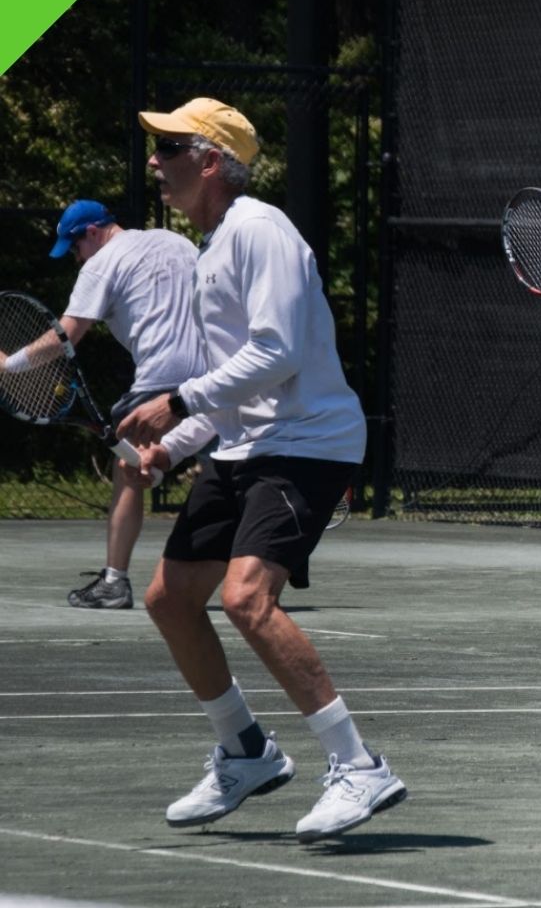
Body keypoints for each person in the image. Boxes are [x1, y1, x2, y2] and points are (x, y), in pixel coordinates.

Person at [116, 96, 405, 842]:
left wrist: (176, 402)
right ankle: (246, 751)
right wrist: (171, 448)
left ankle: (359, 765)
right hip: (247, 446)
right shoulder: (214, 249)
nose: (156, 162)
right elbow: (232, 384)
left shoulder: (260, 229)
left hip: (307, 442)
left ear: (211, 160)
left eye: (170, 147)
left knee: (247, 598)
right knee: (170, 598)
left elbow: (274, 354)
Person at [0, 199, 203, 609]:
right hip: (217, 377)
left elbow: (65, 336)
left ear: (93, 233)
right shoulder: (177, 241)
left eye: (75, 247)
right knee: (231, 471)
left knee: (129, 469)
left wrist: (11, 365)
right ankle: (281, 555)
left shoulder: (101, 262)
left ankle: (114, 581)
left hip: (160, 380)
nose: (76, 257)